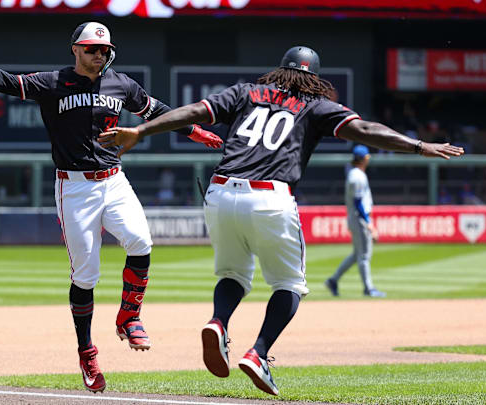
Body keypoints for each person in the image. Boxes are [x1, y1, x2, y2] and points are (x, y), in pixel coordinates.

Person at [98, 46, 464, 396]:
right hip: (270, 197)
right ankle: (258, 353)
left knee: (233, 275)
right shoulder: (317, 105)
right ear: (315, 78)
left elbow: (194, 111)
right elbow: (367, 131)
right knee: (290, 283)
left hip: (221, 190)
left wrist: (141, 130)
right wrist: (419, 146)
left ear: (280, 70)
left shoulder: (246, 92)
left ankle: (219, 322)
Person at [0, 22, 222, 393]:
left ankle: (129, 317)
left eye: (104, 50)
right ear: (75, 49)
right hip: (74, 189)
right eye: (91, 49)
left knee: (141, 242)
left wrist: (193, 130)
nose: (99, 55)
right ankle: (87, 350)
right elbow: (7, 83)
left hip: (114, 179)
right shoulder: (53, 83)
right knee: (86, 276)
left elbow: (157, 111)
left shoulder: (121, 84)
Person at [324, 145, 385, 298]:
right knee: (364, 256)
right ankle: (368, 288)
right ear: (364, 159)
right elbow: (358, 202)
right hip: (359, 218)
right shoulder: (356, 176)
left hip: (355, 217)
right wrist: (369, 223)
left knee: (356, 255)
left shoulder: (354, 173)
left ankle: (333, 280)